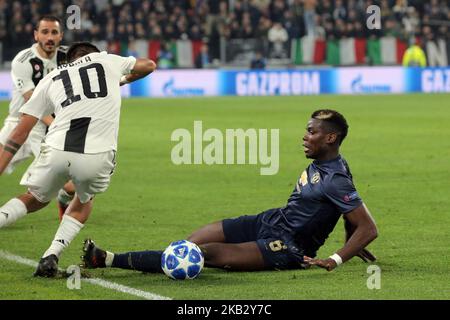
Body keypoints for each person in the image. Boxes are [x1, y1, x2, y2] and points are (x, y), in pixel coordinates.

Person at [81, 110, 378, 274]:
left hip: (286, 246)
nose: (304, 136)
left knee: (202, 254)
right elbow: (349, 211)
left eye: (312, 132)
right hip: (270, 221)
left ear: (330, 137)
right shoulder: (333, 166)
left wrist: (336, 257)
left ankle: (106, 259)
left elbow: (368, 226)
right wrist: (350, 238)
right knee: (189, 242)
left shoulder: (336, 178)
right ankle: (134, 260)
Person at [0, 42, 157, 277]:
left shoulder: (52, 77)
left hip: (56, 149)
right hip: (96, 156)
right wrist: (120, 80)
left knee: (34, 198)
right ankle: (51, 255)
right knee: (84, 200)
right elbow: (148, 65)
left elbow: (20, 132)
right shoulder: (107, 61)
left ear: (68, 61)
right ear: (96, 54)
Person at [0, 16, 75, 220]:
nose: (49, 37)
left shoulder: (69, 57)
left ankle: (62, 199)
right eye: (44, 32)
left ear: (61, 35)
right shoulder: (23, 60)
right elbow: (32, 103)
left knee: (70, 186)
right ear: (36, 35)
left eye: (54, 32)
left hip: (48, 128)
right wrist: (58, 123)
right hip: (20, 121)